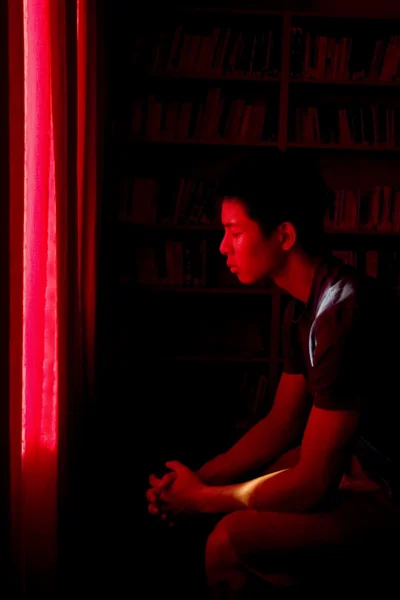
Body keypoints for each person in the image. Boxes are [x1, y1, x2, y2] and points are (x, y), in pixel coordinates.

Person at [145, 150, 400, 598]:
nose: (222, 247)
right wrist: (192, 481)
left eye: (234, 232)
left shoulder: (344, 315)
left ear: (283, 235)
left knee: (227, 538)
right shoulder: (306, 310)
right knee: (281, 461)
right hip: (361, 468)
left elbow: (313, 483)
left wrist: (201, 501)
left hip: (386, 490)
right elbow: (279, 424)